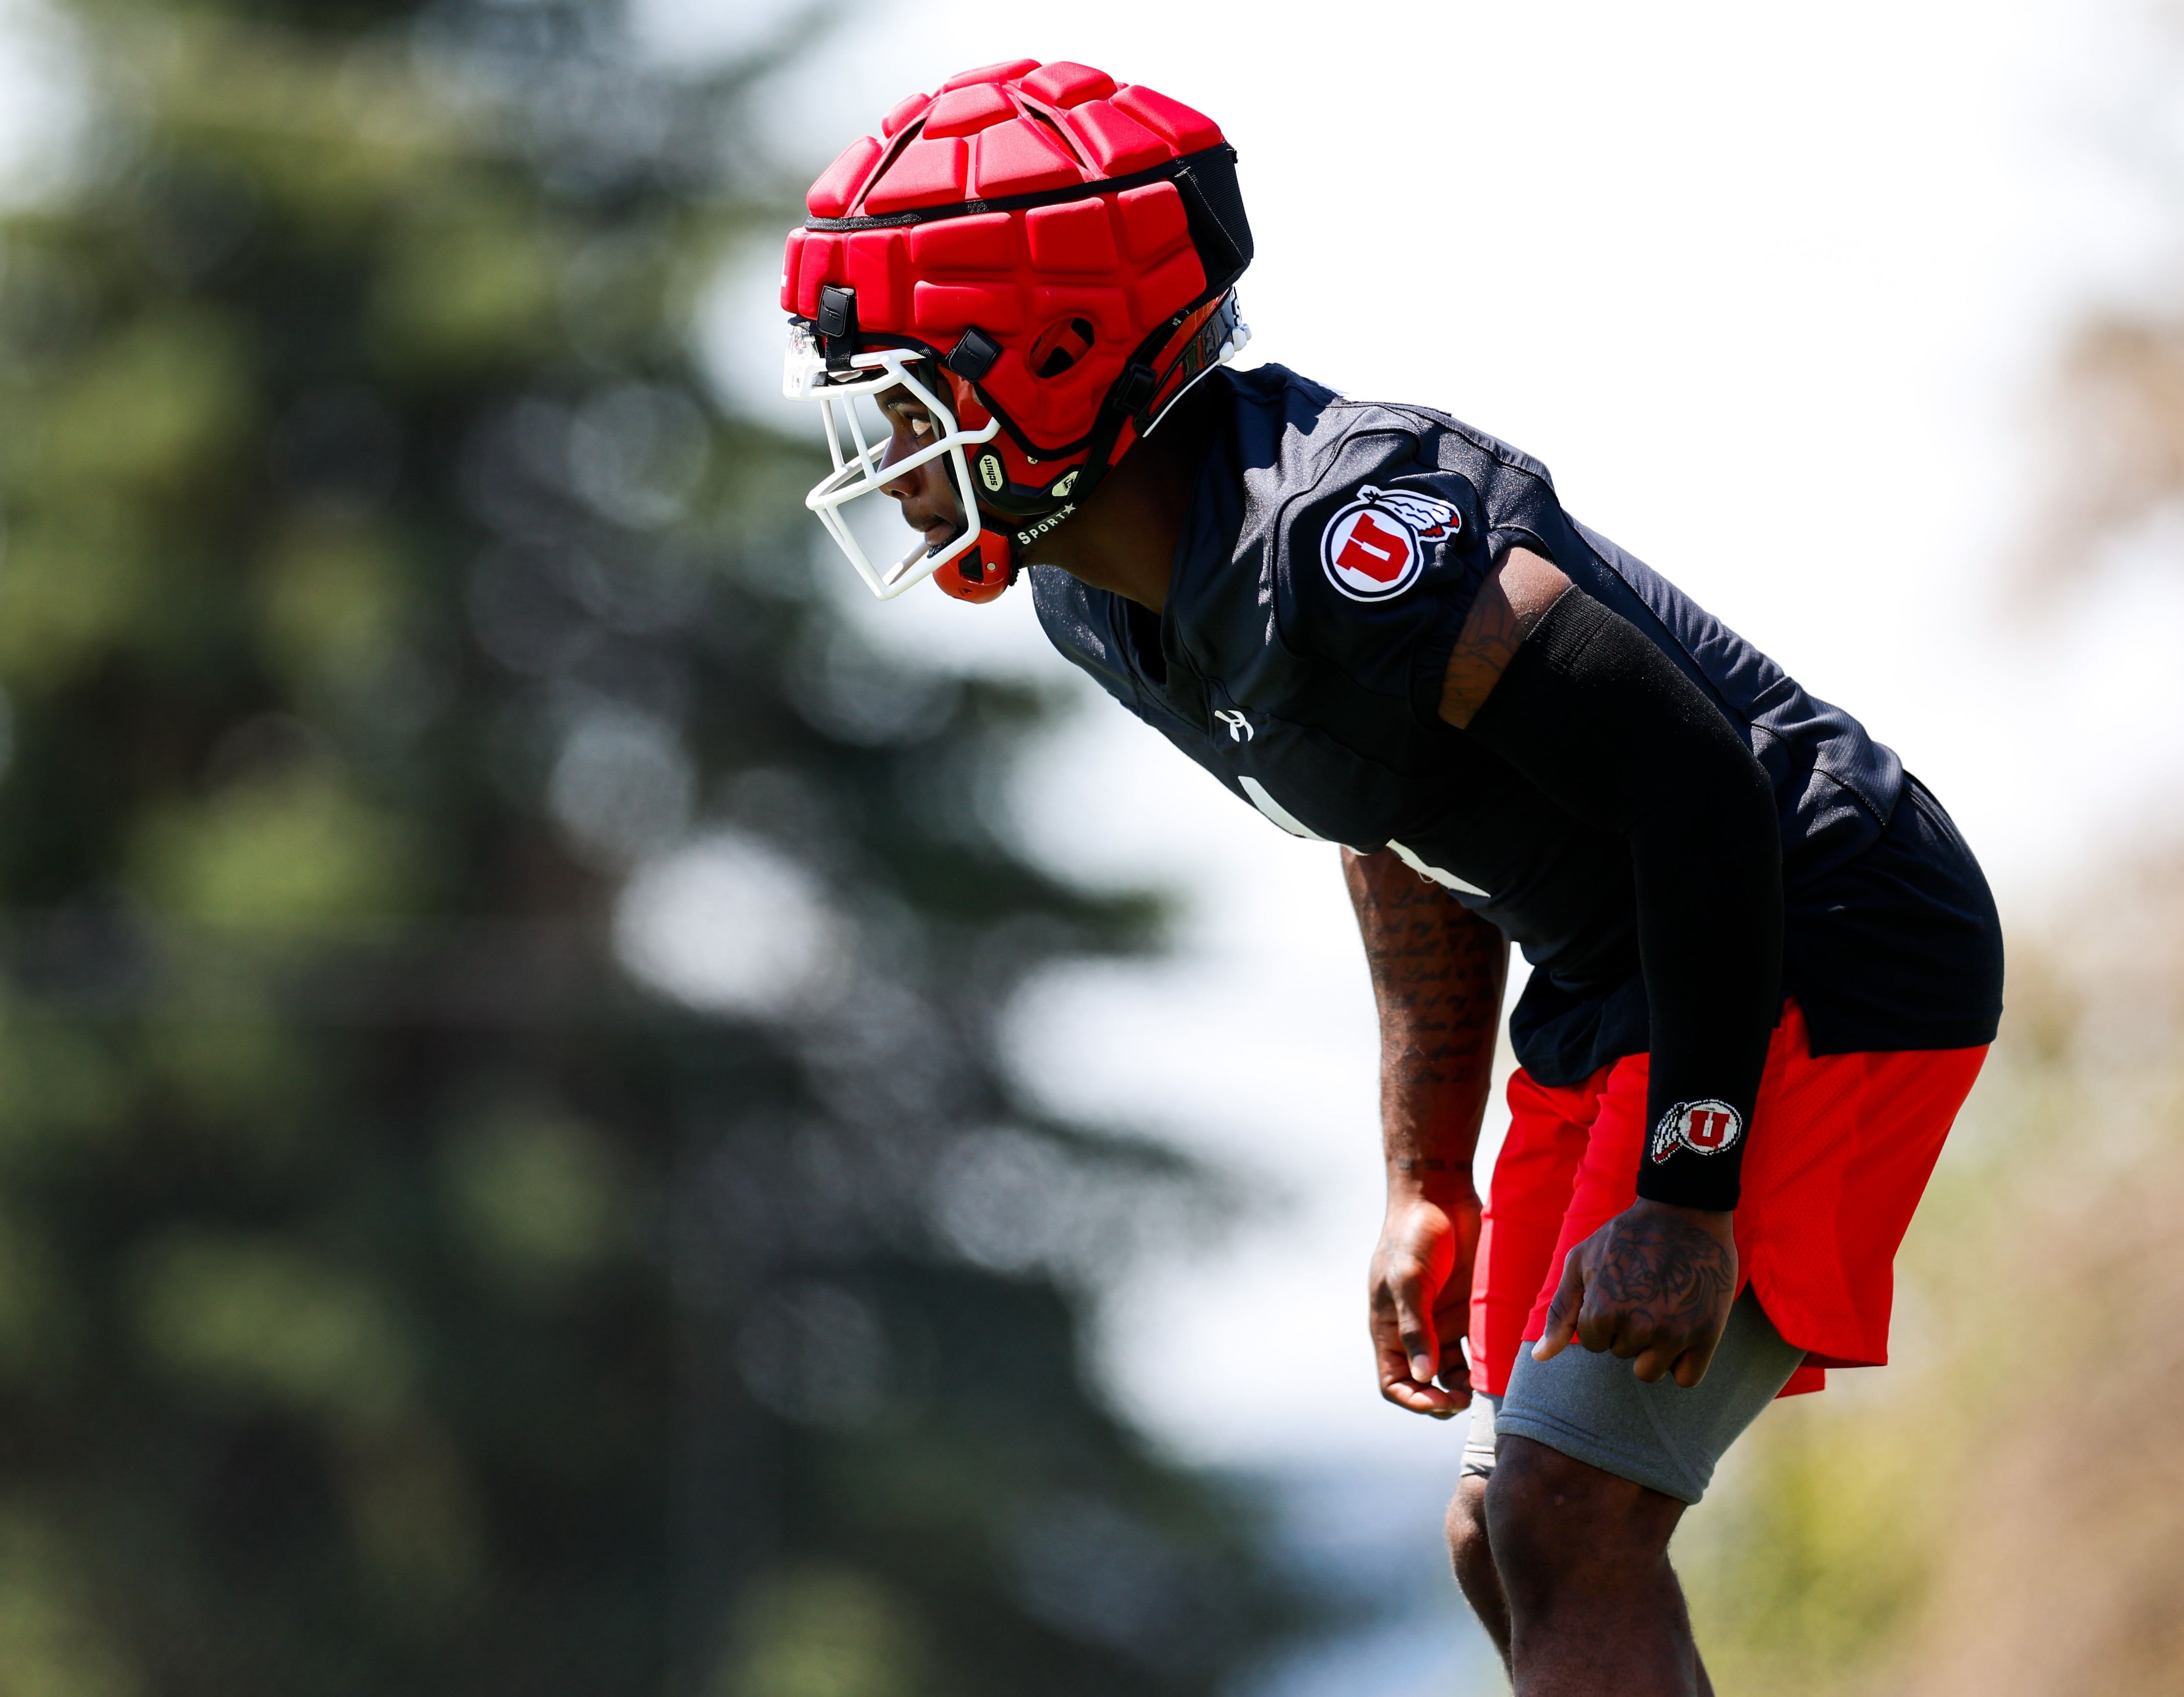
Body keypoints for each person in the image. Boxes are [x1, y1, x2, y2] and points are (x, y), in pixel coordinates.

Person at [776, 59, 2004, 1695]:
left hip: (1816, 929)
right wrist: (1428, 1170)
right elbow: (1383, 811)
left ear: (1060, 359)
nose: (888, 449)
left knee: (1569, 1518)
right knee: (1501, 1531)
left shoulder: (1347, 542)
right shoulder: (1101, 595)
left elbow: (1702, 791)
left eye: (913, 391)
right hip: (1614, 960)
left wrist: (1685, 1191)